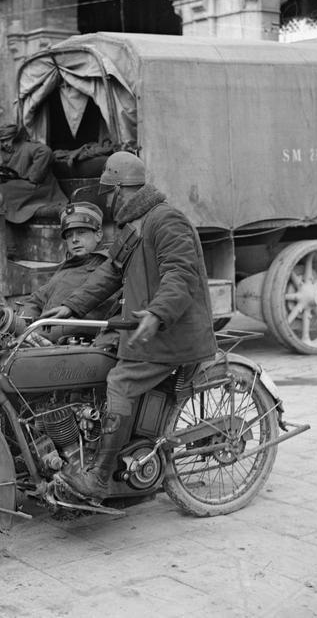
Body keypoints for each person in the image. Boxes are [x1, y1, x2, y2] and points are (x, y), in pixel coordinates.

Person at [42, 151, 217, 501]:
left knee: (119, 383)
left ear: (121, 190)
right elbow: (109, 274)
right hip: (144, 334)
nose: (107, 201)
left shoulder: (166, 220)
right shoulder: (132, 227)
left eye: (109, 193)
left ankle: (99, 478)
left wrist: (156, 313)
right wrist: (71, 306)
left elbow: (180, 275)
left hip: (170, 335)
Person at [17, 202, 117, 340]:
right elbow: (34, 300)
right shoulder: (66, 269)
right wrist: (20, 326)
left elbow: (87, 322)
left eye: (81, 233)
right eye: (69, 235)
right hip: (39, 338)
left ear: (98, 235)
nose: (74, 240)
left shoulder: (109, 270)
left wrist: (37, 334)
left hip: (67, 346)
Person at [0, 123, 67, 224]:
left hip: (39, 188)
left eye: (7, 139)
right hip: (22, 187)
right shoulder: (8, 154)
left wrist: (34, 176)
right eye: (2, 141)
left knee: (2, 191)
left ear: (16, 138)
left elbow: (45, 151)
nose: (5, 144)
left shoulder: (27, 147)